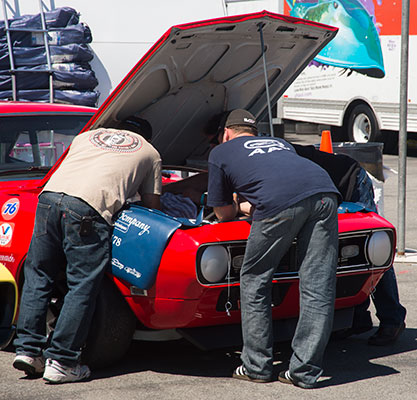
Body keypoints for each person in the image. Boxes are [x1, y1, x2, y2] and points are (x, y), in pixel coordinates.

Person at [13, 116, 162, 384]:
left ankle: (28, 350)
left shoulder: (86, 137)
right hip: (88, 209)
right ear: (146, 138)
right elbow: (152, 206)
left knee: (39, 274)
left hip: (48, 199)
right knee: (81, 285)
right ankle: (62, 361)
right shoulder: (150, 152)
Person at [207, 109, 341, 388]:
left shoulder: (221, 152)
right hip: (326, 193)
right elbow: (283, 179)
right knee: (317, 283)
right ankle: (304, 372)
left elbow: (222, 213)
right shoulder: (281, 143)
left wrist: (241, 207)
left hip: (281, 205)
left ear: (226, 133)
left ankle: (256, 365)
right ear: (254, 132)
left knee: (255, 279)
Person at [291, 144, 407, 345]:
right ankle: (357, 319)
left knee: (373, 251)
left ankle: (392, 319)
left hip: (351, 182)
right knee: (344, 254)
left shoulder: (272, 153)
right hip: (328, 190)